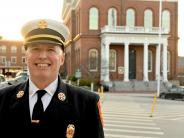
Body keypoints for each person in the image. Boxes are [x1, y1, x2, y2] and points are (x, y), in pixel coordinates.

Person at [0, 18, 104, 138]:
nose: (43, 56)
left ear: (62, 59)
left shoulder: (86, 103)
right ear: (26, 56)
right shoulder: (3, 99)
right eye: (35, 49)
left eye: (51, 50)